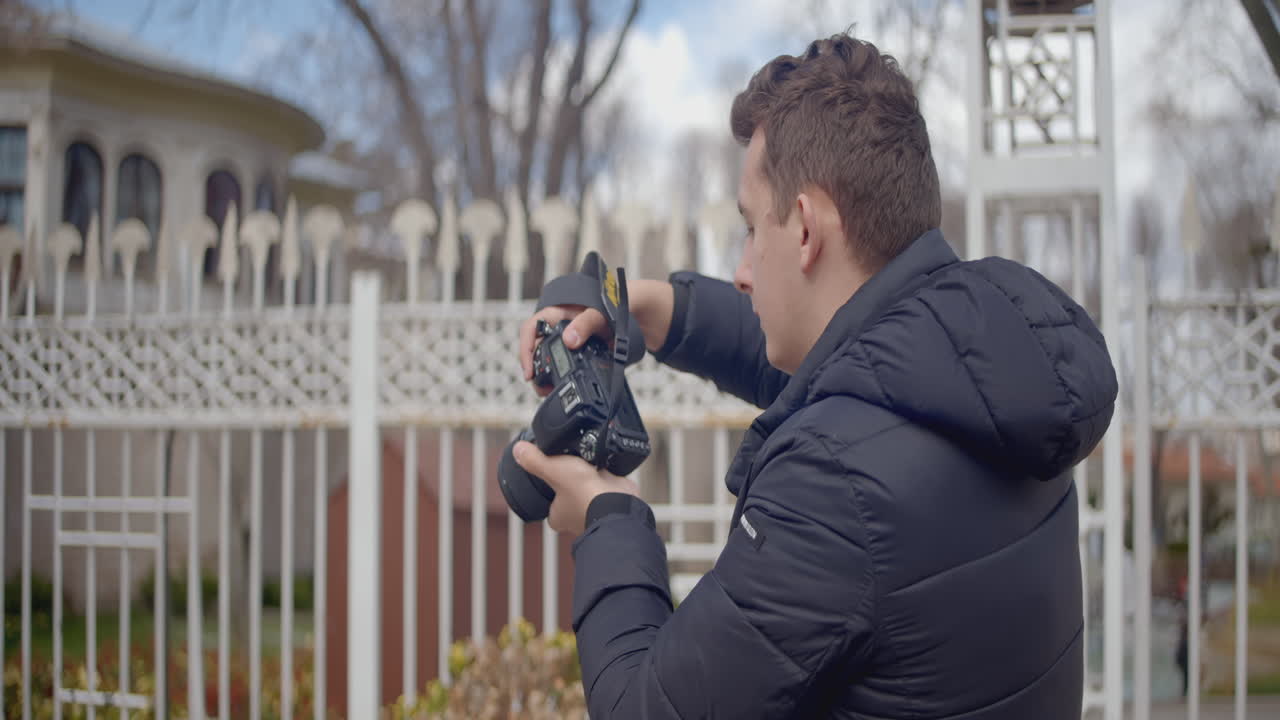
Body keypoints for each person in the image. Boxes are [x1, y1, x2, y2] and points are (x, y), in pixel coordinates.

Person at [514, 32, 1117, 719]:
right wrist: (651, 309)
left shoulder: (834, 483)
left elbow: (644, 710)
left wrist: (607, 520)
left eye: (750, 229)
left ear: (805, 229)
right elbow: (829, 367)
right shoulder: (988, 370)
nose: (742, 270)